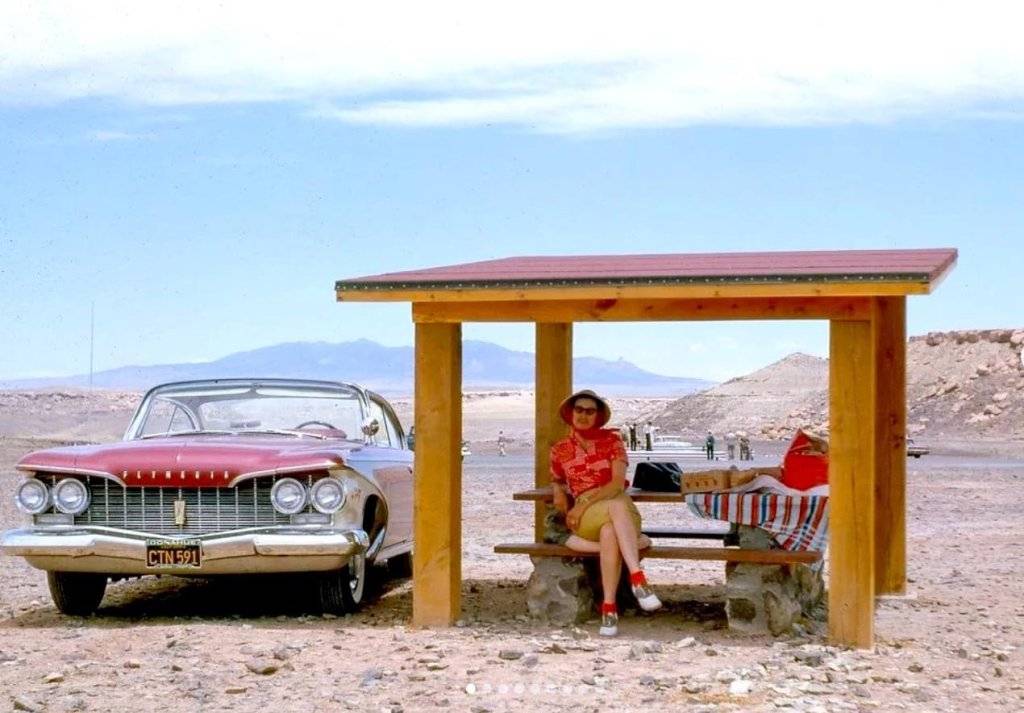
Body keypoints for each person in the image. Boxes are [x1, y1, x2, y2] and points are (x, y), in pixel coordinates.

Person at [550, 390, 661, 637]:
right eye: (579, 409)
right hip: (588, 517)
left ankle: (609, 609)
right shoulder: (559, 449)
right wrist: (557, 490)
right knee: (614, 514)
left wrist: (582, 505)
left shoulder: (612, 441)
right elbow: (556, 478)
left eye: (590, 411)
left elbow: (616, 484)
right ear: (571, 413)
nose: (583, 415)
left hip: (617, 507)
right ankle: (638, 579)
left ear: (598, 416)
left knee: (611, 528)